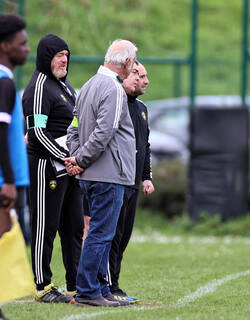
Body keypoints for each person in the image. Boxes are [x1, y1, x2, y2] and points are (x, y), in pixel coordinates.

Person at [65, 39, 137, 307]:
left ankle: (101, 288)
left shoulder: (87, 86)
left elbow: (73, 128)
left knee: (100, 233)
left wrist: (76, 158)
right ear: (127, 63)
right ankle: (87, 292)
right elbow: (106, 131)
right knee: (101, 234)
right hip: (108, 174)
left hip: (91, 174)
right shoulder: (115, 89)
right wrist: (81, 159)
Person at [22, 34, 83, 303]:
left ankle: (75, 285)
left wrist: (78, 156)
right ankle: (42, 287)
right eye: (59, 56)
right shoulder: (39, 87)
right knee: (44, 227)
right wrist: (65, 156)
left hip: (69, 169)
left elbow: (74, 124)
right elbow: (36, 132)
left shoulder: (65, 86)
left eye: (67, 56)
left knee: (73, 227)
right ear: (47, 57)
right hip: (46, 167)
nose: (64, 61)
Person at [109, 62, 154, 303]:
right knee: (111, 235)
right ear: (130, 76)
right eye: (142, 76)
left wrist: (146, 176)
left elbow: (145, 146)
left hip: (134, 183)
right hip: (115, 179)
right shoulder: (116, 103)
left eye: (146, 76)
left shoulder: (143, 108)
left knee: (124, 235)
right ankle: (107, 284)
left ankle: (113, 282)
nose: (146, 81)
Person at [0, 13, 30, 320]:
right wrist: (8, 180)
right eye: (22, 44)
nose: (27, 49)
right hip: (4, 182)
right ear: (6, 46)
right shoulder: (4, 83)